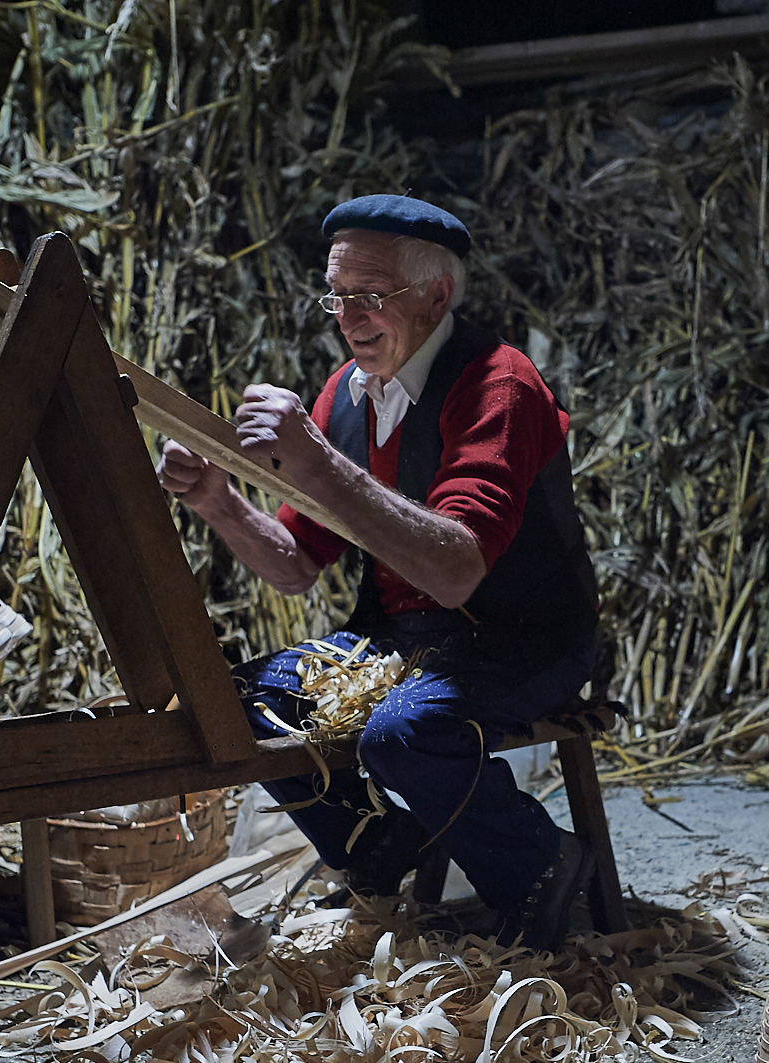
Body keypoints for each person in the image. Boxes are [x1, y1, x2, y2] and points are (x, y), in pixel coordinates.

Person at [155, 194, 600, 950]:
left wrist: (315, 460)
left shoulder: (498, 384)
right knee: (240, 701)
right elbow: (296, 565)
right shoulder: (344, 396)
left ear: (438, 294)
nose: (349, 317)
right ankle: (378, 848)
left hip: (522, 636)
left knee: (405, 732)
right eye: (338, 295)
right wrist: (217, 500)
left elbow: (457, 571)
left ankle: (540, 863)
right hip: (398, 636)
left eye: (371, 296)